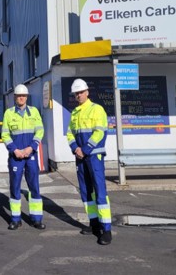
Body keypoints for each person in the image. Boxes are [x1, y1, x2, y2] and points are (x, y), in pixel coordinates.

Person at [67, 78, 112, 245]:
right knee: (85, 191)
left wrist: (84, 149)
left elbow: (99, 132)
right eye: (76, 93)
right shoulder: (75, 113)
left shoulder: (96, 109)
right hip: (80, 157)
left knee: (100, 191)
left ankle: (106, 229)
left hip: (94, 156)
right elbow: (70, 133)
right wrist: (75, 148)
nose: (78, 95)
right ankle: (93, 224)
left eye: (80, 92)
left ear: (87, 92)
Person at [1, 84, 45, 230]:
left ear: (27, 97)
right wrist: (15, 150)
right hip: (16, 157)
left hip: (30, 154)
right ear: (15, 97)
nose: (21, 97)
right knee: (15, 187)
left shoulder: (34, 112)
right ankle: (15, 219)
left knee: (34, 187)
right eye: (19, 95)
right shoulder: (9, 113)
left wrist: (31, 147)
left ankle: (36, 219)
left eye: (24, 95)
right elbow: (5, 134)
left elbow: (40, 131)